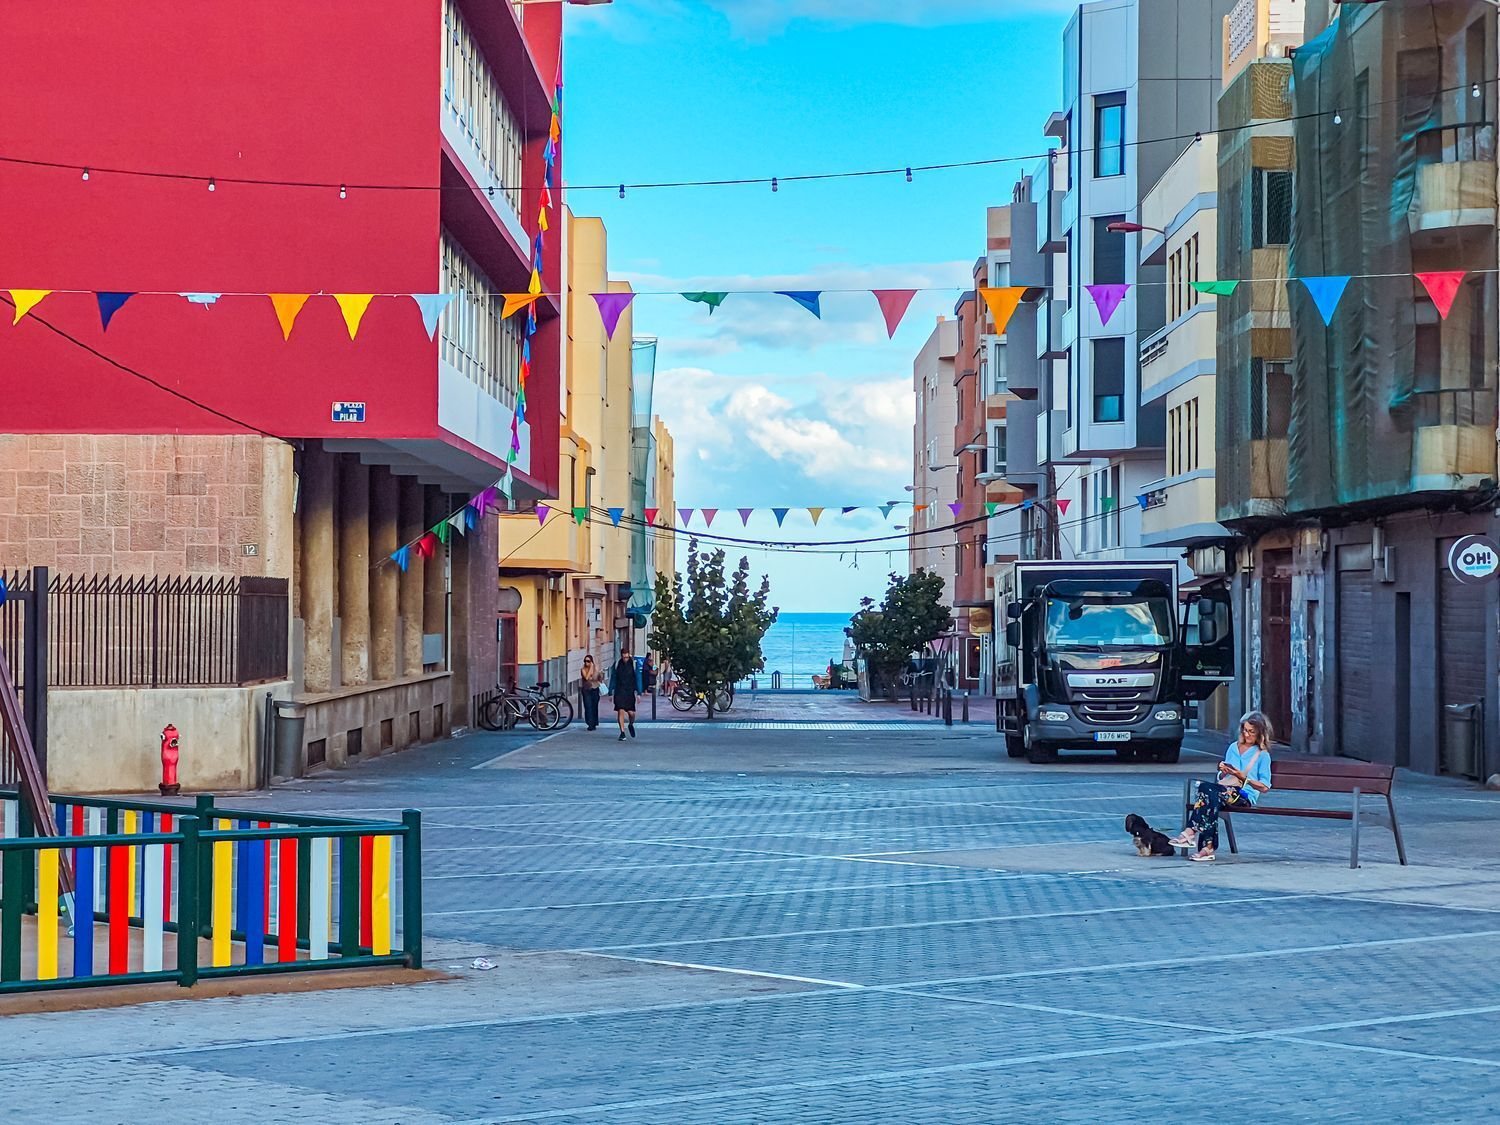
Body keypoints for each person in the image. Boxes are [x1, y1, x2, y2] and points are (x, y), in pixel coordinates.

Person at [1169, 711, 1274, 861]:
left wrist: (1244, 778)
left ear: (1260, 733)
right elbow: (1223, 778)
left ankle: (1191, 833)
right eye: (1244, 730)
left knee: (1206, 792)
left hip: (1244, 795)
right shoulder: (1233, 747)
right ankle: (1207, 849)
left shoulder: (1262, 755)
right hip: (1224, 790)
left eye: (1252, 732)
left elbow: (1264, 787)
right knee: (1209, 797)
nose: (1247, 734)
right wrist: (1223, 771)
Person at [609, 647, 641, 741]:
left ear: (629, 655)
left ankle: (631, 724)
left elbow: (638, 678)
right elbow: (613, 677)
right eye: (624, 657)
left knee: (631, 713)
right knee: (620, 710)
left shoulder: (634, 664)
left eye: (627, 657)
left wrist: (639, 693)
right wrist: (610, 691)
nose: (625, 659)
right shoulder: (617, 664)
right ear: (621, 656)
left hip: (630, 691)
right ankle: (622, 732)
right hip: (619, 690)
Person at [579, 655, 604, 731]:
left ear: (591, 661)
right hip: (586, 690)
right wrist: (591, 668)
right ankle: (590, 724)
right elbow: (586, 678)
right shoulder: (583, 669)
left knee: (594, 706)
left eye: (588, 661)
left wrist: (599, 673)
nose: (586, 663)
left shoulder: (596, 669)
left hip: (595, 689)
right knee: (588, 706)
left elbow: (600, 678)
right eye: (585, 661)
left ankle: (594, 723)